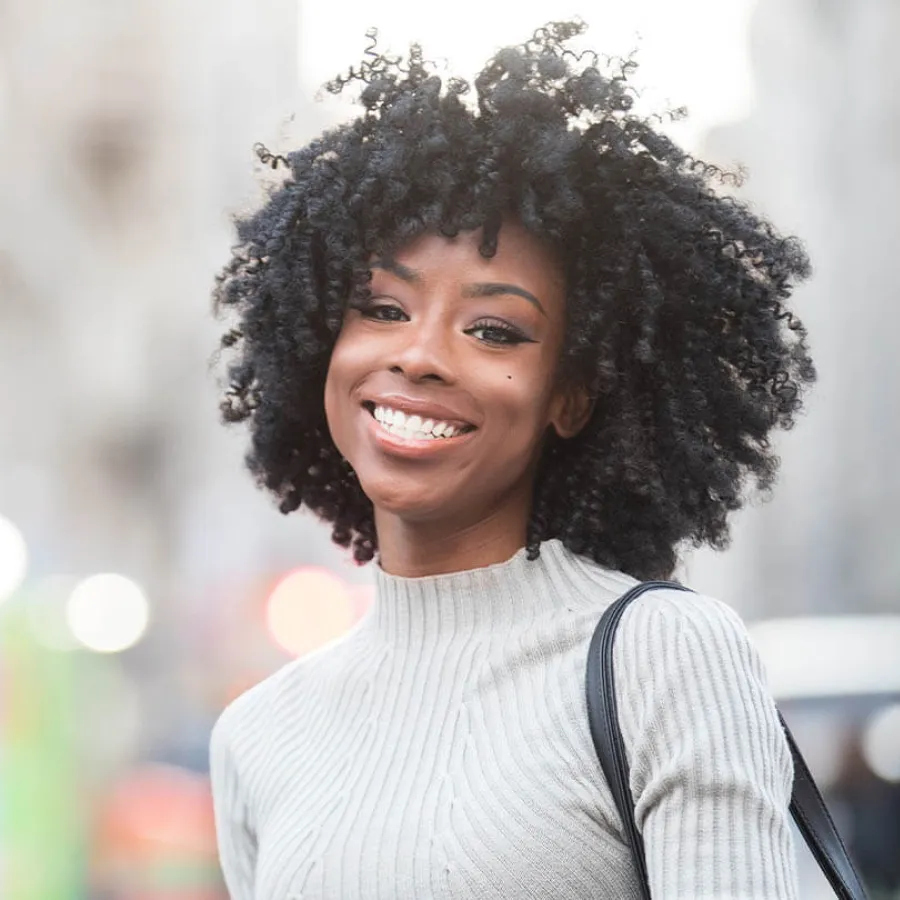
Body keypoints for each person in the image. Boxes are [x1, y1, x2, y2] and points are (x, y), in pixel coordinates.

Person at [209, 20, 814, 900]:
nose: (418, 355)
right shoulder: (258, 736)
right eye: (379, 309)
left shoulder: (663, 656)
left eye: (494, 329)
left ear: (571, 395)